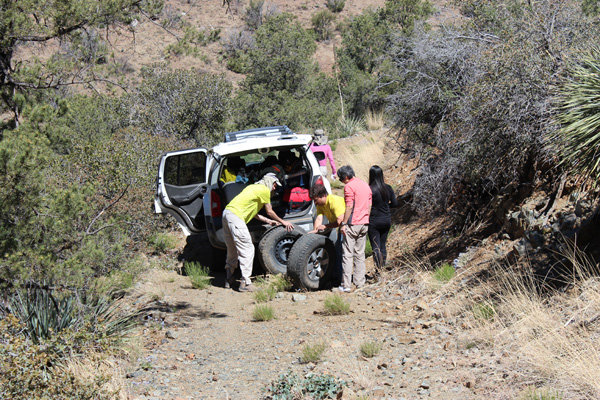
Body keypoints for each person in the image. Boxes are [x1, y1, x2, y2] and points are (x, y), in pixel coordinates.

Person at [222, 173, 294, 291]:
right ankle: (245, 283)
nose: (275, 188)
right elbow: (270, 211)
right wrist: (283, 222)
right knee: (248, 248)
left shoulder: (252, 188)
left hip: (227, 214)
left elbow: (252, 211)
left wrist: (268, 221)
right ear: (270, 182)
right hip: (236, 217)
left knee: (232, 249)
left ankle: (229, 278)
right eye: (275, 185)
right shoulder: (265, 190)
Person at [335, 165, 372, 292]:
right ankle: (359, 282)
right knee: (360, 254)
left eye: (341, 179)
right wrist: (366, 218)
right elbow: (369, 204)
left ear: (346, 177)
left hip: (352, 224)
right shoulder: (365, 185)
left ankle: (346, 285)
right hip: (364, 222)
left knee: (347, 255)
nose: (341, 181)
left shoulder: (349, 187)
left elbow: (349, 206)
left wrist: (344, 223)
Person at [308, 184, 346, 284]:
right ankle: (337, 276)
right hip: (341, 226)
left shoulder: (334, 202)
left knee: (341, 252)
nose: (315, 202)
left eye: (316, 200)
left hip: (347, 226)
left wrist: (326, 226)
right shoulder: (321, 205)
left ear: (323, 195)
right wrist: (315, 230)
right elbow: (319, 217)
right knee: (338, 250)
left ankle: (341, 279)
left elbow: (340, 222)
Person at [367, 165, 398, 272]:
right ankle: (383, 267)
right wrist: (385, 207)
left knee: (375, 247)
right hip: (386, 219)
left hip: (374, 221)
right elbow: (395, 204)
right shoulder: (388, 188)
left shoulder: (369, 189)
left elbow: (367, 205)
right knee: (383, 245)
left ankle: (378, 269)